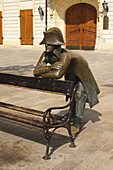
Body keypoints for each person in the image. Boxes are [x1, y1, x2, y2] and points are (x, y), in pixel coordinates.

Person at [33, 27, 100, 135]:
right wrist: (50, 68)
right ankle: (72, 114)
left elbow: (57, 74)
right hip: (69, 71)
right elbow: (35, 71)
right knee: (71, 93)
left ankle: (77, 122)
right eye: (46, 43)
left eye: (49, 44)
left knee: (79, 94)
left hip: (81, 71)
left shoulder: (65, 56)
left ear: (56, 45)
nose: (46, 46)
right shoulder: (46, 54)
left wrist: (49, 70)